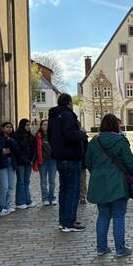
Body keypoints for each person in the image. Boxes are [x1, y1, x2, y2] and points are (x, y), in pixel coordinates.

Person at [86, 114, 133, 258]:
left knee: (102, 216)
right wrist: (132, 176)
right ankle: (120, 249)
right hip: (118, 183)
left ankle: (101, 248)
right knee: (118, 216)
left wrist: (97, 174)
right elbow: (130, 163)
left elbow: (88, 162)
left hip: (100, 183)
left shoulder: (94, 142)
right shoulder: (121, 141)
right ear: (116, 125)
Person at [48, 93, 88, 232]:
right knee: (72, 190)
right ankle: (69, 222)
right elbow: (70, 135)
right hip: (71, 158)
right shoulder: (67, 115)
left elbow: (50, 137)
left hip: (59, 158)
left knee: (64, 190)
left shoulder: (53, 117)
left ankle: (63, 220)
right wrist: (82, 133)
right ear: (69, 103)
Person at [0, 122, 17, 214]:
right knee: (4, 186)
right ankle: (0, 206)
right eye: (7, 127)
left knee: (10, 186)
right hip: (1, 164)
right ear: (2, 128)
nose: (9, 129)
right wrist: (1, 152)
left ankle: (8, 205)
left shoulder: (13, 138)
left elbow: (17, 149)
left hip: (11, 163)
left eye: (11, 127)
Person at [14, 118, 37, 209]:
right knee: (21, 181)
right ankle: (20, 201)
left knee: (26, 181)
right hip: (21, 162)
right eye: (27, 125)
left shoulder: (31, 136)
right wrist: (27, 160)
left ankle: (28, 200)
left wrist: (32, 159)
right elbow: (18, 151)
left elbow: (34, 149)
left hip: (29, 161)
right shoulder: (17, 136)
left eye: (29, 125)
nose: (29, 127)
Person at [33, 120, 57, 206]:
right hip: (42, 160)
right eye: (44, 124)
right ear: (41, 126)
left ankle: (52, 197)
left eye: (47, 124)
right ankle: (45, 198)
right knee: (43, 181)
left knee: (52, 181)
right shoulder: (38, 136)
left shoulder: (54, 135)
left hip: (52, 160)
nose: (46, 126)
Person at [78, 121, 89, 204]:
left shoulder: (83, 137)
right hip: (74, 161)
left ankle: (82, 196)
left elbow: (86, 150)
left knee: (82, 180)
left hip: (81, 161)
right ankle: (78, 196)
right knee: (79, 180)